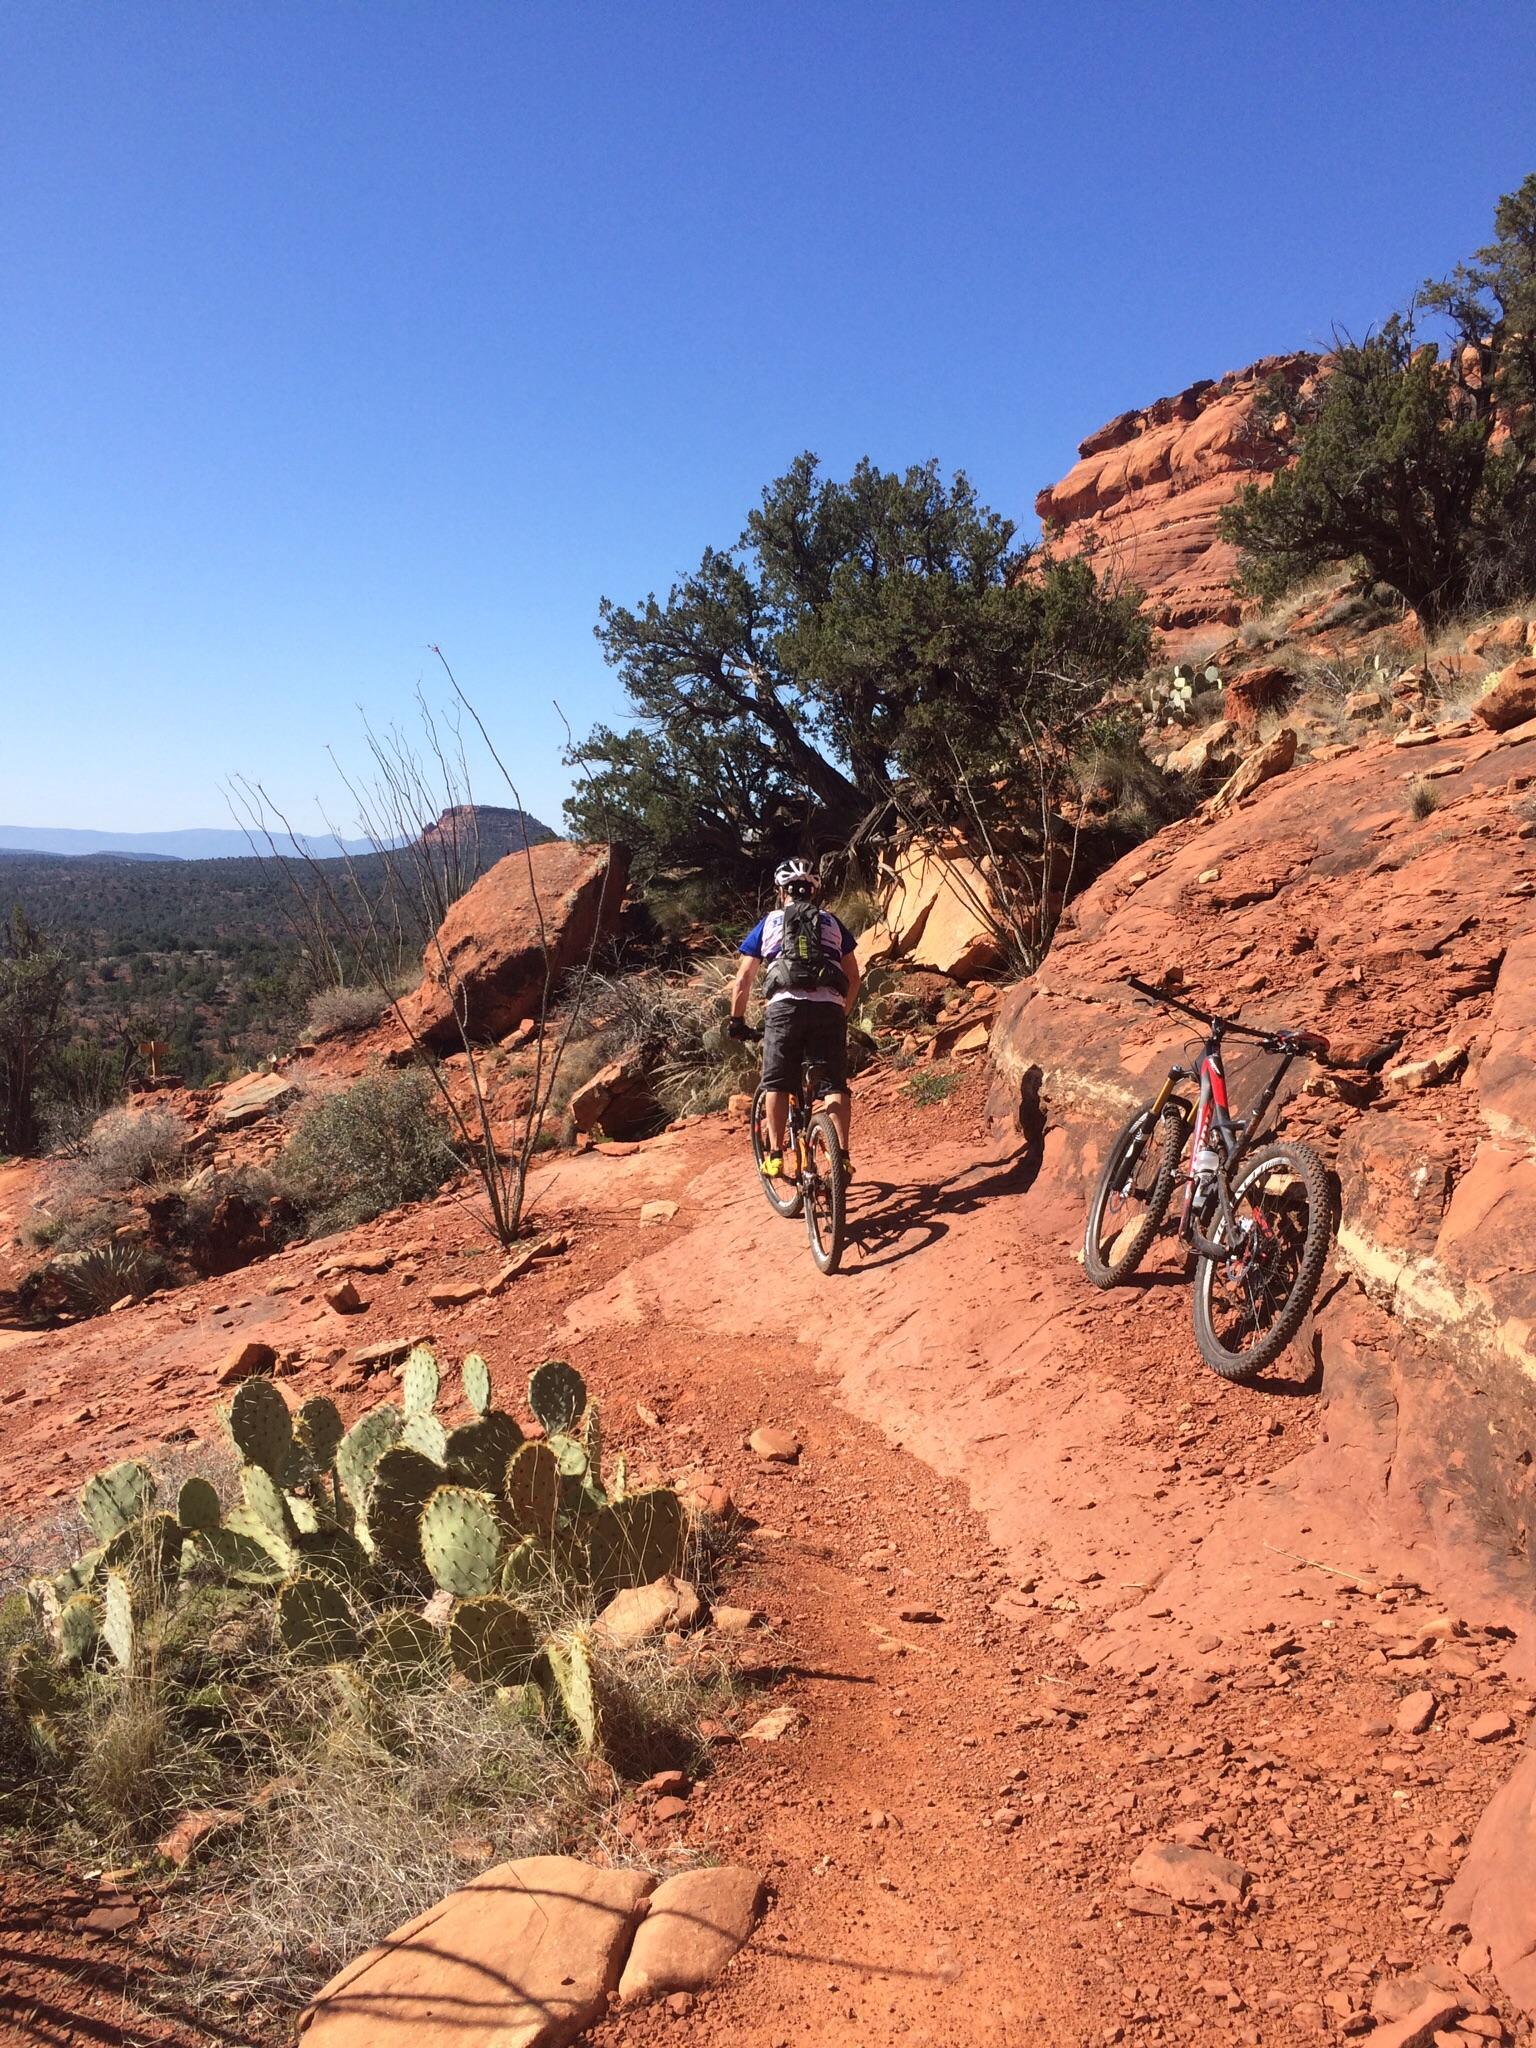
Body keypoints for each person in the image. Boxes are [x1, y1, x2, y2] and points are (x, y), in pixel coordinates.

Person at [726, 858, 860, 1180]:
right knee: (834, 1085)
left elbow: (744, 979)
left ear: (781, 890)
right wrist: (840, 1012)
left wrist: (737, 1020)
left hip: (784, 1009)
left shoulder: (769, 923)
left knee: (776, 1082)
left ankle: (774, 1154)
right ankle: (840, 1157)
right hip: (828, 1008)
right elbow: (854, 976)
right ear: (813, 890)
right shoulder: (832, 922)